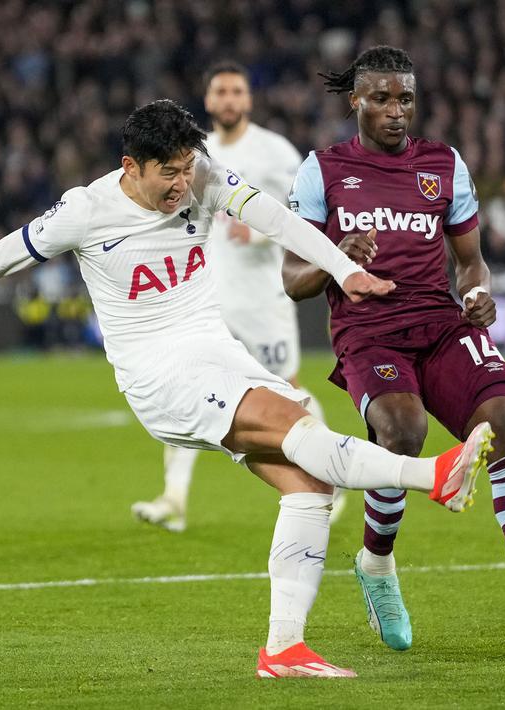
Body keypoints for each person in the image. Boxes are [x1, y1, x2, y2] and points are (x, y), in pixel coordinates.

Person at [0, 99, 496, 678]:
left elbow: (274, 218)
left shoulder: (204, 177)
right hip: (159, 374)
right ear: (129, 167)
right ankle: (433, 475)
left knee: (309, 487)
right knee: (300, 429)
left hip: (217, 352)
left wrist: (343, 266)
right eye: (168, 172)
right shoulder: (83, 211)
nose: (182, 185)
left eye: (189, 169)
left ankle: (284, 648)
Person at [282, 46, 505, 654]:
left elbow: (471, 264)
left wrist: (478, 295)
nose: (397, 112)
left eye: (406, 99)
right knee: (402, 431)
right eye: (383, 99)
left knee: (504, 428)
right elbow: (294, 280)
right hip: (369, 329)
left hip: (441, 323)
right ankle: (376, 565)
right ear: (356, 102)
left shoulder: (444, 165)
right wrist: (340, 256)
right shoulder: (322, 171)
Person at [130, 62, 338, 534]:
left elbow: (305, 210)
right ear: (208, 100)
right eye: (219, 91)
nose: (227, 99)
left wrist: (261, 235)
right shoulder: (189, 154)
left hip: (263, 299)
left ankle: (332, 474)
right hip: (206, 300)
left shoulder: (273, 150)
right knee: (186, 388)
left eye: (236, 91)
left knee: (287, 388)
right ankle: (175, 498)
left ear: (247, 100)